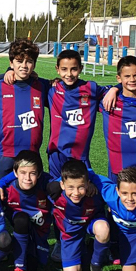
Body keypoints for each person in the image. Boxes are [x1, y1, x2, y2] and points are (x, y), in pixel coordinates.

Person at [0, 38, 52, 183]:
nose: (24, 66)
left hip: (32, 153)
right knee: (3, 193)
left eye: (29, 61)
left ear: (34, 64)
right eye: (19, 61)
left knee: (30, 197)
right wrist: (6, 73)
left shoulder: (42, 86)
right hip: (6, 153)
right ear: (11, 63)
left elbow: (62, 87)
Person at [46, 50, 109, 179]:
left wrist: (114, 89)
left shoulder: (91, 88)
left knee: (82, 192)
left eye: (74, 69)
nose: (69, 74)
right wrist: (10, 70)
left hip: (80, 155)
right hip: (57, 154)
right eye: (64, 69)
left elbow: (121, 89)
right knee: (56, 191)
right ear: (57, 69)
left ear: (81, 68)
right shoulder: (52, 89)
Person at [98, 55, 136, 187]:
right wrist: (114, 88)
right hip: (117, 163)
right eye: (127, 76)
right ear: (119, 78)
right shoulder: (108, 100)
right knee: (118, 198)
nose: (132, 79)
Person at [49, 159, 111, 271]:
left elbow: (114, 194)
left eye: (81, 187)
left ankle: (96, 266)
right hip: (71, 232)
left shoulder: (95, 193)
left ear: (88, 184)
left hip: (91, 223)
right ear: (62, 185)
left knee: (103, 229)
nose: (76, 193)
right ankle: (87, 247)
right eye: (71, 187)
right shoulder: (54, 195)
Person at [0, 151, 53, 271]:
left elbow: (62, 184)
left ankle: (23, 250)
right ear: (15, 173)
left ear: (39, 174)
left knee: (34, 266)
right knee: (21, 219)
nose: (27, 178)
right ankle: (18, 269)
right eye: (23, 172)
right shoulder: (6, 190)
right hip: (20, 225)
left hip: (38, 234)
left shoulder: (47, 187)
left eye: (32, 173)